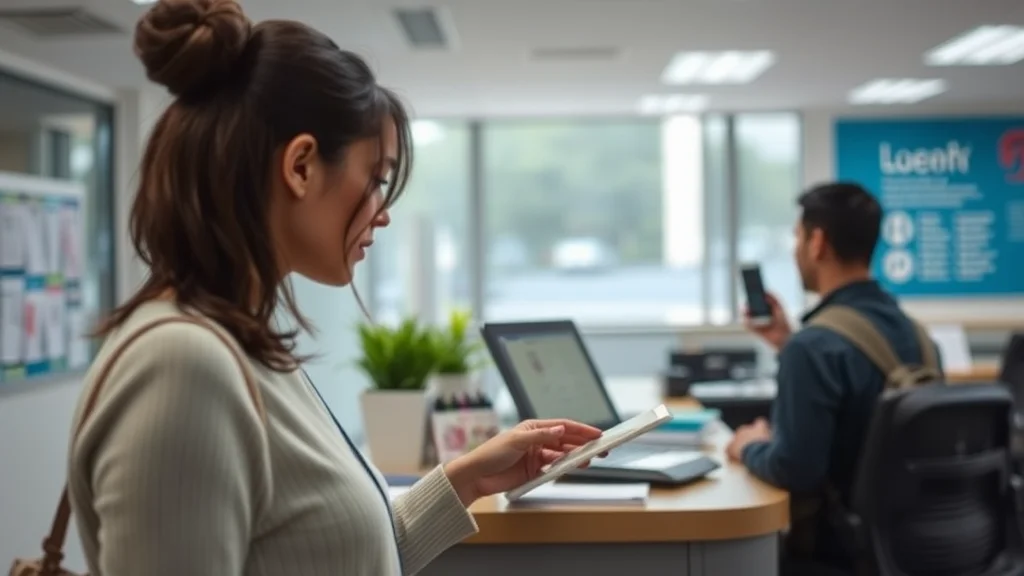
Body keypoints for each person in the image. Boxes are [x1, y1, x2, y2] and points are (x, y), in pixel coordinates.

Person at [66, 1, 603, 575]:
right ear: (300, 166)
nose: (382, 211)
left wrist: (465, 478)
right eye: (375, 179)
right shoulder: (182, 365)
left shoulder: (244, 343)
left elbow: (327, 554)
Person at [724, 181, 941, 570]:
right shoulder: (921, 339)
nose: (795, 251)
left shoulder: (813, 349)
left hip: (835, 554)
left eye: (797, 237)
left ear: (817, 242)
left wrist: (749, 446)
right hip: (917, 550)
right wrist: (787, 342)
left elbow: (796, 471)